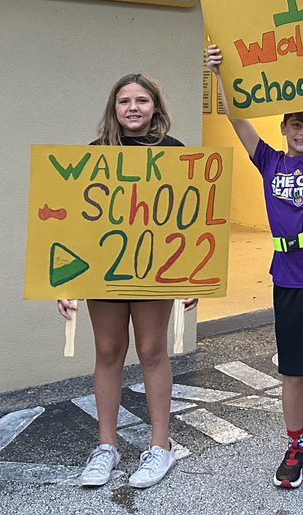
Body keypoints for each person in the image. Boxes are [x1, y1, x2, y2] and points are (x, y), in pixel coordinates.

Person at [204, 45, 303, 498]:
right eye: (297, 124)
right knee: (293, 374)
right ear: (285, 128)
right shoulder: (270, 160)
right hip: (289, 282)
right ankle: (296, 447)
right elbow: (238, 120)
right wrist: (220, 72)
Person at [57, 73, 197, 489]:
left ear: (156, 106)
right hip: (106, 270)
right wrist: (67, 283)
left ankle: (160, 446)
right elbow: (78, 224)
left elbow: (187, 218)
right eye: (124, 101)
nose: (133, 108)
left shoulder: (174, 153)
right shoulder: (96, 154)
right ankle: (106, 446)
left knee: (152, 351)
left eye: (141, 100)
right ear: (113, 108)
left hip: (155, 269)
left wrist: (190, 276)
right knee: (108, 350)